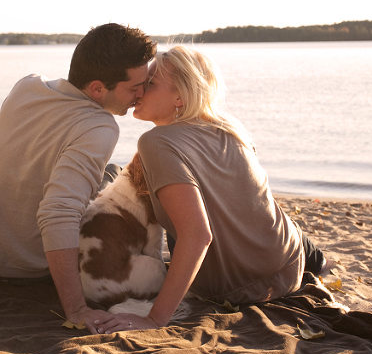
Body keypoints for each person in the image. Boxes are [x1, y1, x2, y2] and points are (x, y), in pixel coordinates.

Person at [94, 45, 326, 334]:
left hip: (232, 289)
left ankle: (318, 260)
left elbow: (197, 235)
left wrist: (154, 319)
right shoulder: (230, 127)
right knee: (283, 225)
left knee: (114, 176)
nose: (139, 90)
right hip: (286, 263)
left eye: (150, 83)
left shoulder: (155, 143)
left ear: (180, 96)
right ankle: (319, 261)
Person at [0, 23, 156, 334]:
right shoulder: (100, 127)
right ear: (97, 88)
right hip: (25, 271)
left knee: (110, 174)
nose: (141, 94)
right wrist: (77, 308)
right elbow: (59, 213)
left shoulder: (26, 86)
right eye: (134, 88)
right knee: (117, 183)